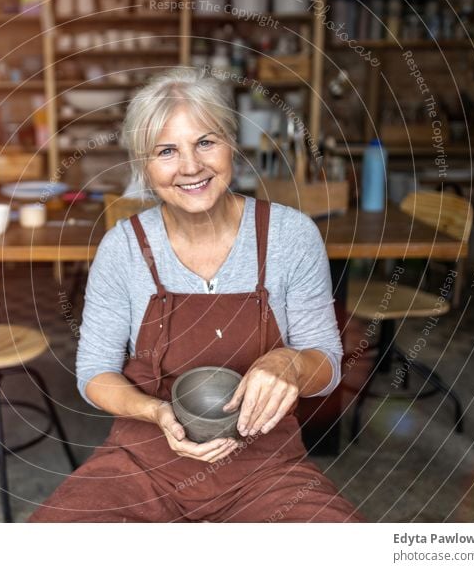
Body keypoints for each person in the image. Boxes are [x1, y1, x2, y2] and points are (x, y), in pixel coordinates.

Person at [29, 67, 362, 522]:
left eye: (206, 142)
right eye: (166, 151)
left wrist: (289, 362)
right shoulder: (123, 247)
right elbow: (93, 374)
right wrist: (156, 412)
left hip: (264, 468)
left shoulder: (290, 236)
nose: (190, 166)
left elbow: (325, 363)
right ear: (143, 166)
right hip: (143, 461)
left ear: (231, 144)